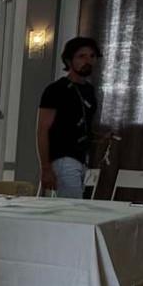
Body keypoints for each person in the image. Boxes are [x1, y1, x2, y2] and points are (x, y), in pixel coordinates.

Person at [37, 37, 101, 198]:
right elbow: (43, 129)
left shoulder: (89, 90)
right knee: (72, 208)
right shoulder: (56, 90)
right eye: (82, 56)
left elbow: (82, 125)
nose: (88, 60)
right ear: (69, 60)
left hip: (83, 158)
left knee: (79, 206)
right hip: (64, 158)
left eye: (92, 56)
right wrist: (46, 168)